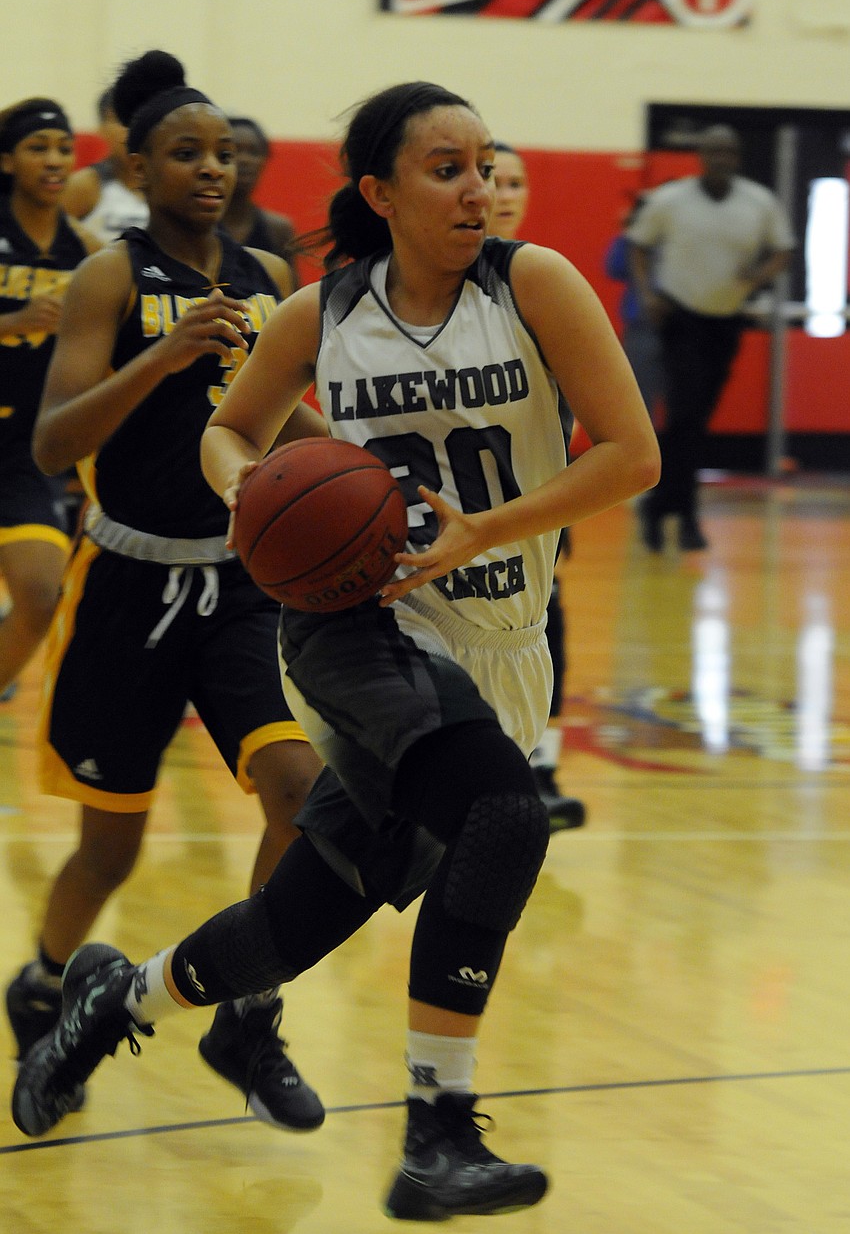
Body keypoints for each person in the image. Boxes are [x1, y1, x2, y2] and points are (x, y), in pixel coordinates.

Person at [12, 80, 659, 1220]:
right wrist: (249, 498)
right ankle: (436, 1133)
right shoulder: (319, 313)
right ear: (380, 191)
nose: (477, 188)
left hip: (500, 642)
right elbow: (231, 430)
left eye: (487, 163)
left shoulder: (536, 284)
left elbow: (633, 454)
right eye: (445, 168)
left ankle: (117, 1005)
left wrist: (487, 529)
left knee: (300, 919)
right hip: (364, 635)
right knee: (506, 819)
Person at [5, 51, 325, 1132]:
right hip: (127, 578)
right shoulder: (108, 275)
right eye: (185, 153)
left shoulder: (270, 279)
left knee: (297, 787)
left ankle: (249, 1009)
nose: (211, 170)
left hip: (242, 582)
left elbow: (288, 417)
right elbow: (55, 439)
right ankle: (47, 988)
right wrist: (166, 356)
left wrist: (373, 474)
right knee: (112, 843)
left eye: (224, 154)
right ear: (135, 164)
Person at [629, 124, 794, 551]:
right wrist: (648, 295)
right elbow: (638, 245)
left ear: (736, 158)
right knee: (684, 418)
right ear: (701, 155)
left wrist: (758, 275)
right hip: (681, 318)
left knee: (695, 423)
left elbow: (783, 249)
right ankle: (686, 517)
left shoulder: (758, 202)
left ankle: (659, 506)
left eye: (728, 153)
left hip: (726, 320)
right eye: (712, 151)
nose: (720, 159)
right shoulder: (671, 200)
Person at [490, 142, 583, 832]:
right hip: (455, 494)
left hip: (535, 485)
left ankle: (538, 760)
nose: (505, 191)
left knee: (547, 609)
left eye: (518, 181)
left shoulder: (543, 279)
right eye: (495, 178)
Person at [0, 98, 100, 704]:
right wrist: (12, 323)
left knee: (41, 595)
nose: (55, 159)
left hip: (21, 451)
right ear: (7, 161)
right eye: (38, 148)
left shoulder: (86, 249)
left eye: (64, 147)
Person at [603, 194, 665, 425]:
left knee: (680, 403)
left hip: (681, 327)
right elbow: (613, 267)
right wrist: (628, 232)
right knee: (639, 397)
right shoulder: (634, 242)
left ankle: (676, 457)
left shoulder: (678, 237)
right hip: (641, 327)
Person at [61, 86, 150, 242]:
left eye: (140, 119)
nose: (131, 130)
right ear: (101, 130)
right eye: (122, 120)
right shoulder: (85, 185)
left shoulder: (170, 186)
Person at [219, 116, 297, 278]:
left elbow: (291, 295)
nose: (244, 160)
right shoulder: (197, 225)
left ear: (265, 159)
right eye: (234, 151)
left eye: (253, 152)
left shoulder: (278, 229)